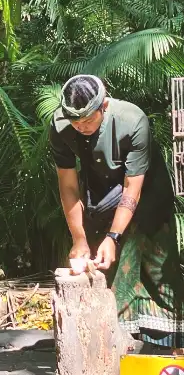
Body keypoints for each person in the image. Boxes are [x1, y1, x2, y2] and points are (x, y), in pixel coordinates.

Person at [50, 74, 184, 346]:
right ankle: (115, 347)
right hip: (101, 193)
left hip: (147, 193)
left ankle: (170, 346)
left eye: (88, 120)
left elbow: (132, 189)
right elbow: (68, 186)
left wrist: (113, 238)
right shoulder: (60, 126)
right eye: (76, 122)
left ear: (104, 106)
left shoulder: (133, 120)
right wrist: (79, 238)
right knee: (107, 272)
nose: (82, 127)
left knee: (156, 271)